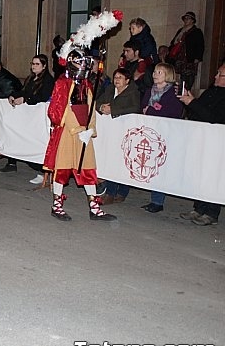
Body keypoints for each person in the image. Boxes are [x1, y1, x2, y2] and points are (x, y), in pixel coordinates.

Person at [43, 48, 116, 221]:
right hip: (69, 132)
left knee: (88, 169)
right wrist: (76, 129)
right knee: (62, 169)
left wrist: (90, 127)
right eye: (78, 62)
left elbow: (90, 107)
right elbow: (61, 109)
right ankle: (57, 205)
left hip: (84, 131)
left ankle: (94, 207)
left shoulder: (87, 84)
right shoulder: (62, 83)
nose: (82, 65)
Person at [177, 62, 225, 226]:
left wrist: (192, 103)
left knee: (212, 176)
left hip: (217, 143)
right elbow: (198, 111)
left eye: (220, 75)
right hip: (202, 139)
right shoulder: (211, 91)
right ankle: (198, 207)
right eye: (217, 73)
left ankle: (211, 212)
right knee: (200, 174)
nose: (215, 77)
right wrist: (189, 101)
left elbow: (214, 117)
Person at [139, 62, 184, 213]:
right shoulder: (150, 90)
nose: (155, 74)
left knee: (160, 166)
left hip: (166, 133)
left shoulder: (173, 93)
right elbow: (143, 106)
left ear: (168, 75)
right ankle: (154, 199)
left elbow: (172, 112)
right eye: (155, 71)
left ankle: (158, 201)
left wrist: (151, 110)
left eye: (159, 72)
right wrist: (153, 110)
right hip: (151, 132)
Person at [95, 67, 141, 204]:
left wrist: (114, 110)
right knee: (111, 159)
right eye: (115, 77)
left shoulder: (133, 92)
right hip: (109, 131)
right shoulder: (110, 89)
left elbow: (135, 108)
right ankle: (111, 191)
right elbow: (97, 101)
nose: (116, 80)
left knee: (121, 161)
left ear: (127, 80)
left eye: (120, 78)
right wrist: (101, 107)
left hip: (125, 131)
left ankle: (116, 192)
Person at [6, 54, 55, 182]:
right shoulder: (30, 78)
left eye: (37, 64)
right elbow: (23, 91)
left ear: (44, 66)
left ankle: (42, 170)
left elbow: (42, 97)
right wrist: (13, 95)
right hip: (29, 117)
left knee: (37, 143)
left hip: (39, 117)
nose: (34, 66)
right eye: (33, 64)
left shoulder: (48, 81)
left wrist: (26, 100)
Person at [168, 11, 204, 89]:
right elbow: (173, 42)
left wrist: (198, 57)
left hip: (189, 59)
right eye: (185, 18)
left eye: (188, 18)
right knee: (178, 78)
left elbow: (200, 45)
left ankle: (186, 93)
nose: (186, 20)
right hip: (179, 58)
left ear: (192, 20)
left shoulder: (196, 32)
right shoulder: (181, 31)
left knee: (188, 77)